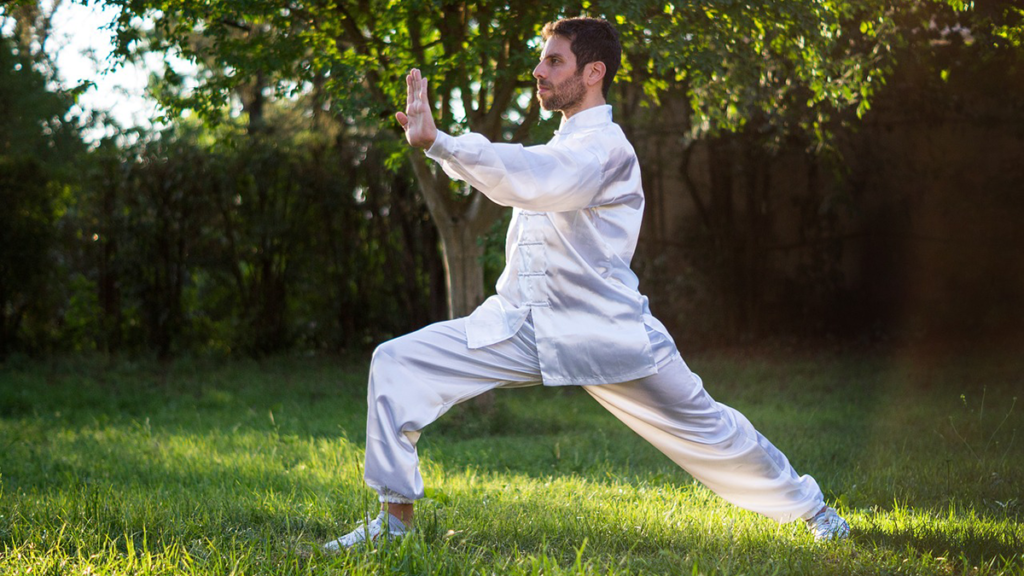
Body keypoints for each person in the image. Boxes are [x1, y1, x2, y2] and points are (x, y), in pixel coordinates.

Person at [323, 16, 850, 551]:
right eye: (541, 59)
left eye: (554, 61)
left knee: (708, 428)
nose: (538, 71)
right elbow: (529, 177)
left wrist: (442, 142)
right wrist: (441, 147)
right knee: (397, 361)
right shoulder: (567, 141)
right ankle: (394, 525)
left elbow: (533, 177)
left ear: (593, 71)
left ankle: (814, 510)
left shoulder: (604, 149)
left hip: (606, 331)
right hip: (522, 325)